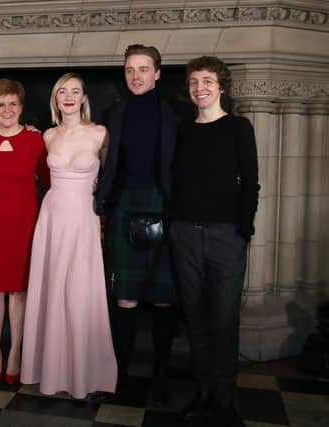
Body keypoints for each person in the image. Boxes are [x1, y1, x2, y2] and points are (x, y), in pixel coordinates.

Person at [169, 56, 258, 427]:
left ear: (221, 85)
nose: (199, 88)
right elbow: (175, 177)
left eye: (206, 81)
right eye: (193, 82)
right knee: (196, 318)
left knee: (224, 319)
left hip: (226, 236)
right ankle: (204, 392)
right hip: (185, 234)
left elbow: (251, 182)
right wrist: (175, 223)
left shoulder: (239, 127)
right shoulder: (183, 128)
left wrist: (244, 229)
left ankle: (225, 399)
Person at [21, 72, 117, 399]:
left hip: (83, 218)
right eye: (63, 91)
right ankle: (47, 369)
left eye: (75, 91)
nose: (69, 96)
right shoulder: (47, 136)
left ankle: (83, 373)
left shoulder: (100, 133)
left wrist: (100, 193)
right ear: (55, 98)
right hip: (52, 216)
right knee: (51, 288)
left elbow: (110, 175)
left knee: (79, 291)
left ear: (84, 97)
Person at [93, 44, 179, 404]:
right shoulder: (112, 113)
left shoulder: (178, 113)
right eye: (130, 69)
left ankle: (161, 376)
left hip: (167, 207)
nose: (136, 76)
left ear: (157, 73)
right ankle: (120, 375)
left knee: (163, 298)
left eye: (143, 69)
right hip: (124, 204)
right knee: (124, 298)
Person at [0, 79, 49, 385]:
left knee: (19, 292)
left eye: (13, 104)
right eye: (1, 104)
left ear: (22, 108)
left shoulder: (36, 140)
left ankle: (16, 352)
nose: (7, 110)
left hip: (24, 223)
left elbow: (50, 180)